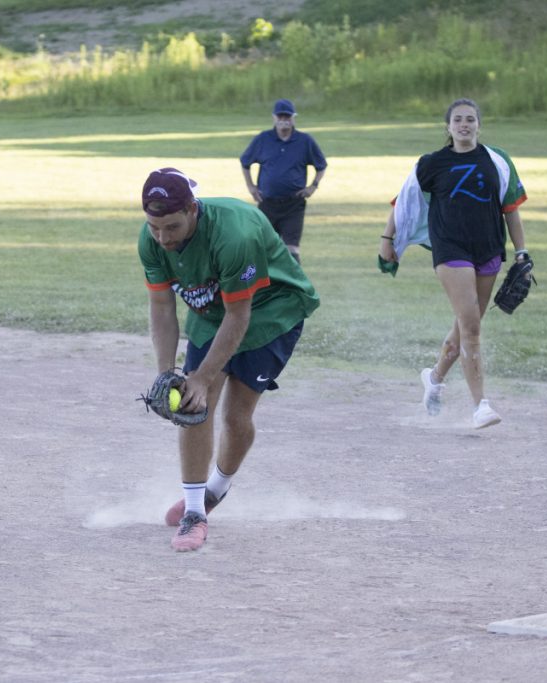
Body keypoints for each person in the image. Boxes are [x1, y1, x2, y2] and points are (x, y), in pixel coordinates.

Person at [138, 167, 320, 551]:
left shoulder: (234, 235)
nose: (163, 238)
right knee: (194, 405)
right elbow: (162, 308)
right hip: (212, 312)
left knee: (236, 417)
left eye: (171, 227)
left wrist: (203, 377)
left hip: (272, 310)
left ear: (192, 209)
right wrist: (166, 373)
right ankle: (194, 513)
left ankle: (216, 489)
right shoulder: (151, 241)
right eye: (154, 228)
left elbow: (240, 315)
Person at [379, 98, 530, 429]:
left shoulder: (497, 161)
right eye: (458, 119)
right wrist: (387, 239)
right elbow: (404, 201)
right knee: (472, 327)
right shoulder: (432, 163)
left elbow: (511, 210)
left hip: (489, 249)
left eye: (470, 119)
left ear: (479, 125)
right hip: (450, 250)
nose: (464, 124)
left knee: (464, 327)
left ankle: (434, 378)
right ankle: (481, 406)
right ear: (448, 126)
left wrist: (522, 251)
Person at [240, 99, 328, 263]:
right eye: (280, 116)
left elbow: (321, 165)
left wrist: (313, 186)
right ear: (274, 117)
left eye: (287, 116)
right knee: (264, 248)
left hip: (293, 204)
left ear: (293, 118)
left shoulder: (305, 141)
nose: (283, 120)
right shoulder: (263, 139)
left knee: (291, 250)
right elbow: (245, 162)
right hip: (267, 202)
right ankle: (266, 280)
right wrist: (251, 186)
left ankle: (294, 279)